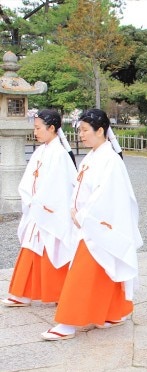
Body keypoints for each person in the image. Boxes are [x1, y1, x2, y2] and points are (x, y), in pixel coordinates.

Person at [41, 109, 143, 341]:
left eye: (85, 130)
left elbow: (106, 195)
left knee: (84, 271)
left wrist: (84, 214)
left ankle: (67, 322)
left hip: (98, 223)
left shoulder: (109, 160)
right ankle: (113, 312)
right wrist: (73, 209)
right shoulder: (94, 156)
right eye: (80, 131)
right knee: (106, 269)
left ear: (100, 130)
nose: (81, 135)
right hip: (87, 222)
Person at [1, 109, 76, 307]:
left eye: (38, 128)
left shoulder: (59, 154)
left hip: (51, 209)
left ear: (52, 128)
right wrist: (31, 198)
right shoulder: (41, 151)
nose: (35, 132)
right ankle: (21, 293)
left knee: (53, 249)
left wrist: (44, 204)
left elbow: (62, 186)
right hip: (37, 207)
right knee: (30, 247)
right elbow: (29, 179)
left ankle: (60, 293)